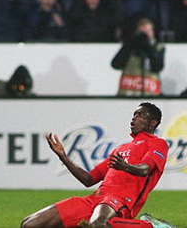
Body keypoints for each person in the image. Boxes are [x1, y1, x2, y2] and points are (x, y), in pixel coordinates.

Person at [21, 102, 169, 228]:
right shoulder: (120, 149)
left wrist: (125, 167)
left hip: (120, 200)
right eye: (134, 115)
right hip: (94, 199)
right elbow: (88, 179)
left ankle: (148, 225)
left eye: (140, 115)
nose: (133, 118)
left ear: (153, 123)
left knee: (98, 224)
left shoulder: (158, 143)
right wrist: (63, 156)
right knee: (29, 224)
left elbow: (145, 169)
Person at [111, 18, 165, 96]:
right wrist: (129, 45)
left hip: (149, 94)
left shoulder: (158, 48)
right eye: (142, 32)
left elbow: (157, 67)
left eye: (147, 32)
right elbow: (115, 64)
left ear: (152, 32)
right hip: (127, 93)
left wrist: (149, 47)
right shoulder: (130, 47)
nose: (144, 35)